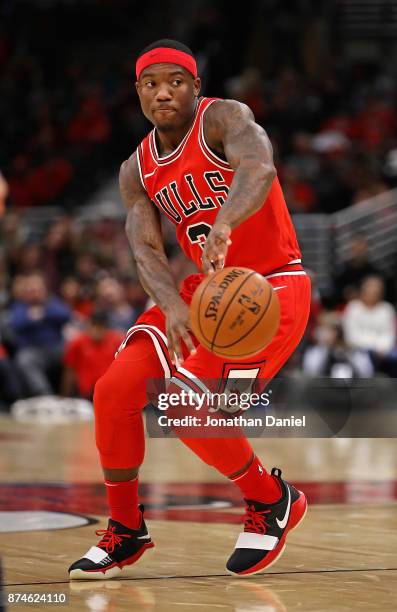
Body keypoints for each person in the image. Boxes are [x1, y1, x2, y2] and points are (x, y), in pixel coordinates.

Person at [69, 39, 311, 580]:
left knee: (187, 408)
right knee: (114, 393)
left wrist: (225, 222)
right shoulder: (136, 169)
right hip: (204, 294)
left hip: (269, 288)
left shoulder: (225, 118)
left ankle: (271, 500)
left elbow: (260, 168)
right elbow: (145, 249)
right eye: (151, 84)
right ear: (137, 93)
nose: (163, 93)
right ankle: (127, 530)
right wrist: (172, 303)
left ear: (195, 87)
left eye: (175, 82)